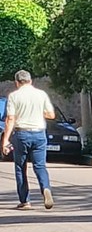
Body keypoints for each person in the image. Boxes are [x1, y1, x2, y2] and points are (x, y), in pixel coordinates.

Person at [2, 70, 56, 210]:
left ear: (17, 82)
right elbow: (51, 114)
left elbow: (10, 119)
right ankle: (46, 188)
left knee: (20, 167)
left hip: (22, 134)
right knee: (40, 166)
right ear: (30, 81)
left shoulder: (14, 96)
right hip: (39, 134)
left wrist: (5, 140)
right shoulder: (41, 94)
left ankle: (25, 201)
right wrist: (38, 112)